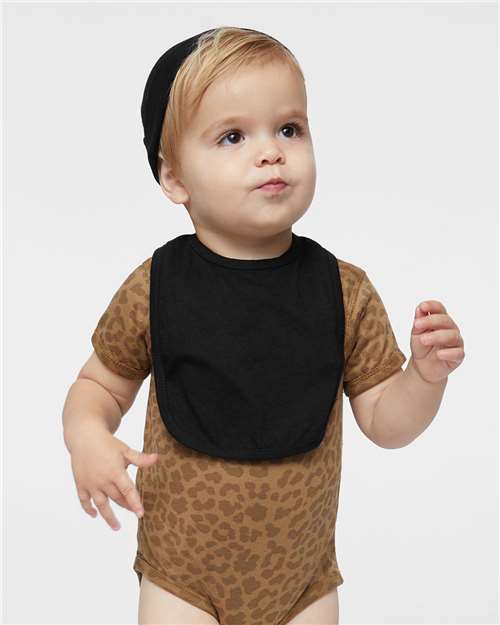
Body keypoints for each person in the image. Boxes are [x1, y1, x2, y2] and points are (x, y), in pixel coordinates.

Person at [62, 26, 465, 625]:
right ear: (174, 178)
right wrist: (86, 436)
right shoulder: (156, 286)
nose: (271, 151)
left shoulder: (343, 291)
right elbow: (98, 386)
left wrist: (425, 379)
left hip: (302, 585)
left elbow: (385, 421)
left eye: (289, 129)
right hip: (182, 577)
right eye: (232, 136)